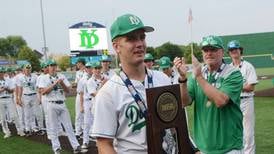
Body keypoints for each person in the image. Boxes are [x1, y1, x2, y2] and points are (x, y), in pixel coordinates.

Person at [91, 14, 171, 154]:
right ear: (116, 47)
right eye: (131, 39)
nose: (139, 43)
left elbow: (175, 124)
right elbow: (104, 144)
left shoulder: (162, 79)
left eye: (142, 37)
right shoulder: (107, 93)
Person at [173, 35, 244, 154]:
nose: (209, 53)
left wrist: (199, 77)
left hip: (229, 147)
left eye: (213, 49)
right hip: (204, 147)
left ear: (222, 52)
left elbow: (220, 101)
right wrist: (183, 79)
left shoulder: (233, 73)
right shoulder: (196, 74)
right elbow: (184, 102)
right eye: (206, 50)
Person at [40, 59, 80, 154]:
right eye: (51, 65)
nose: (53, 67)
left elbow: (68, 91)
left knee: (69, 126)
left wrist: (61, 83)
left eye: (54, 65)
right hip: (51, 103)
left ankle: (75, 146)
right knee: (53, 127)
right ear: (48, 67)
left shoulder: (61, 76)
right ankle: (56, 148)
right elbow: (43, 92)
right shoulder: (44, 78)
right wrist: (54, 84)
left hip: (62, 103)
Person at [227, 40, 258, 154]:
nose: (234, 51)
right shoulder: (227, 68)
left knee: (248, 133)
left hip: (246, 101)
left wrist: (234, 86)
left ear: (240, 50)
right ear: (229, 53)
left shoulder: (248, 66)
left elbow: (250, 87)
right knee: (233, 131)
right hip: (232, 102)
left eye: (236, 49)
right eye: (231, 50)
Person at [16, 64, 44, 136]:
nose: (28, 70)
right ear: (24, 69)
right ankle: (27, 129)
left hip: (34, 95)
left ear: (31, 69)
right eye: (26, 69)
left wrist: (40, 97)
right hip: (25, 96)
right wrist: (19, 98)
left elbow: (38, 87)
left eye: (29, 68)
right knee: (26, 113)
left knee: (36, 113)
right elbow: (20, 88)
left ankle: (34, 127)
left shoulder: (35, 76)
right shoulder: (20, 77)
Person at [0, 66, 24, 138]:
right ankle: (7, 132)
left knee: (14, 115)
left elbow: (12, 90)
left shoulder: (8, 80)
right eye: (0, 72)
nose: (1, 73)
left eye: (2, 72)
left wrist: (6, 89)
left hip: (9, 98)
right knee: (2, 118)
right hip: (0, 99)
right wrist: (3, 89)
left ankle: (20, 130)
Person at [74, 58, 86, 138]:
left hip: (87, 95)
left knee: (88, 114)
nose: (77, 64)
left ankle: (87, 131)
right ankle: (78, 131)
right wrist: (74, 84)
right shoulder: (77, 72)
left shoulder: (88, 71)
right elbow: (76, 83)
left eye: (78, 63)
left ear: (81, 63)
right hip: (79, 94)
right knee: (78, 114)